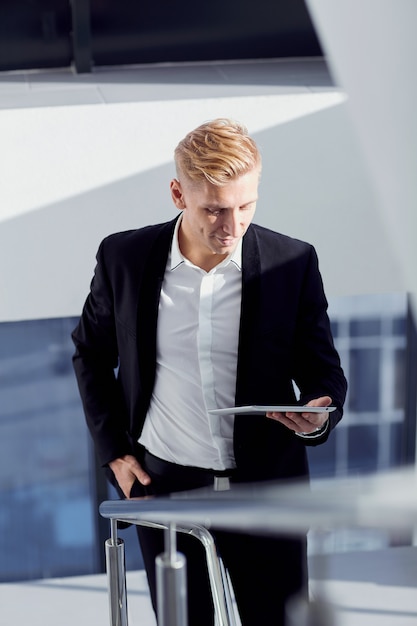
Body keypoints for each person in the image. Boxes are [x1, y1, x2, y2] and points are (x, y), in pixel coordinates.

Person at [72, 118, 347, 626]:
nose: (232, 225)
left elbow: (323, 372)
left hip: (268, 490)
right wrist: (114, 452)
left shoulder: (294, 262)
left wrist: (319, 413)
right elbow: (89, 353)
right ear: (178, 193)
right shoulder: (124, 258)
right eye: (214, 209)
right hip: (167, 487)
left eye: (246, 206)